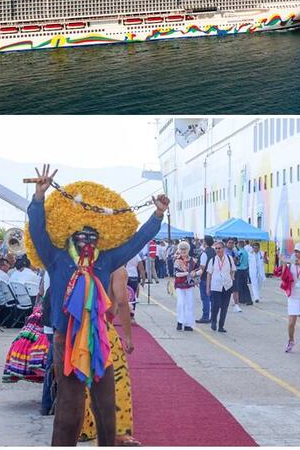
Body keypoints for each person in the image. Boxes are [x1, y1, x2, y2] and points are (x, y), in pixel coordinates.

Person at [24, 164, 165, 446]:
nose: (87, 241)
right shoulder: (57, 258)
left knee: (106, 403)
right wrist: (38, 198)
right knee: (70, 407)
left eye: (92, 237)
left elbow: (137, 242)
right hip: (67, 339)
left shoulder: (106, 260)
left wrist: (158, 214)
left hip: (99, 339)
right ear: (70, 236)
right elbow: (38, 231)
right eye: (81, 236)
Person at [80, 266, 139, 446]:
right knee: (118, 380)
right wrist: (128, 336)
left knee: (82, 377)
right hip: (104, 329)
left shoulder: (83, 263)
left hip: (81, 329)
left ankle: (83, 427)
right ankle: (120, 431)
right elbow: (121, 302)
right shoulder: (117, 268)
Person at [207, 240, 235, 333]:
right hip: (216, 286)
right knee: (216, 305)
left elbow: (233, 270)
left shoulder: (229, 259)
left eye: (219, 248)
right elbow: (209, 274)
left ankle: (221, 326)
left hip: (227, 286)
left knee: (224, 307)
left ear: (223, 249)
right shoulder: (213, 260)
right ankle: (213, 320)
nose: (218, 250)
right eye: (216, 248)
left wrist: (232, 278)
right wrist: (208, 287)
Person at [173, 241, 198, 332]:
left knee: (189, 304)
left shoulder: (193, 260)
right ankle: (180, 321)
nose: (183, 251)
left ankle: (188, 323)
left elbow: (198, 270)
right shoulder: (177, 260)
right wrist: (188, 273)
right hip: (179, 285)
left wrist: (195, 273)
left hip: (189, 284)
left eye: (185, 249)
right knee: (180, 303)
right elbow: (176, 274)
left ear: (188, 250)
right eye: (181, 249)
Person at [195, 236, 215, 323]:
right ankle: (213, 316)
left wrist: (196, 277)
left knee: (205, 298)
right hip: (213, 278)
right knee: (212, 298)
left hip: (204, 278)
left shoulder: (204, 253)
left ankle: (205, 316)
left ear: (205, 242)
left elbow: (202, 267)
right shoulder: (215, 252)